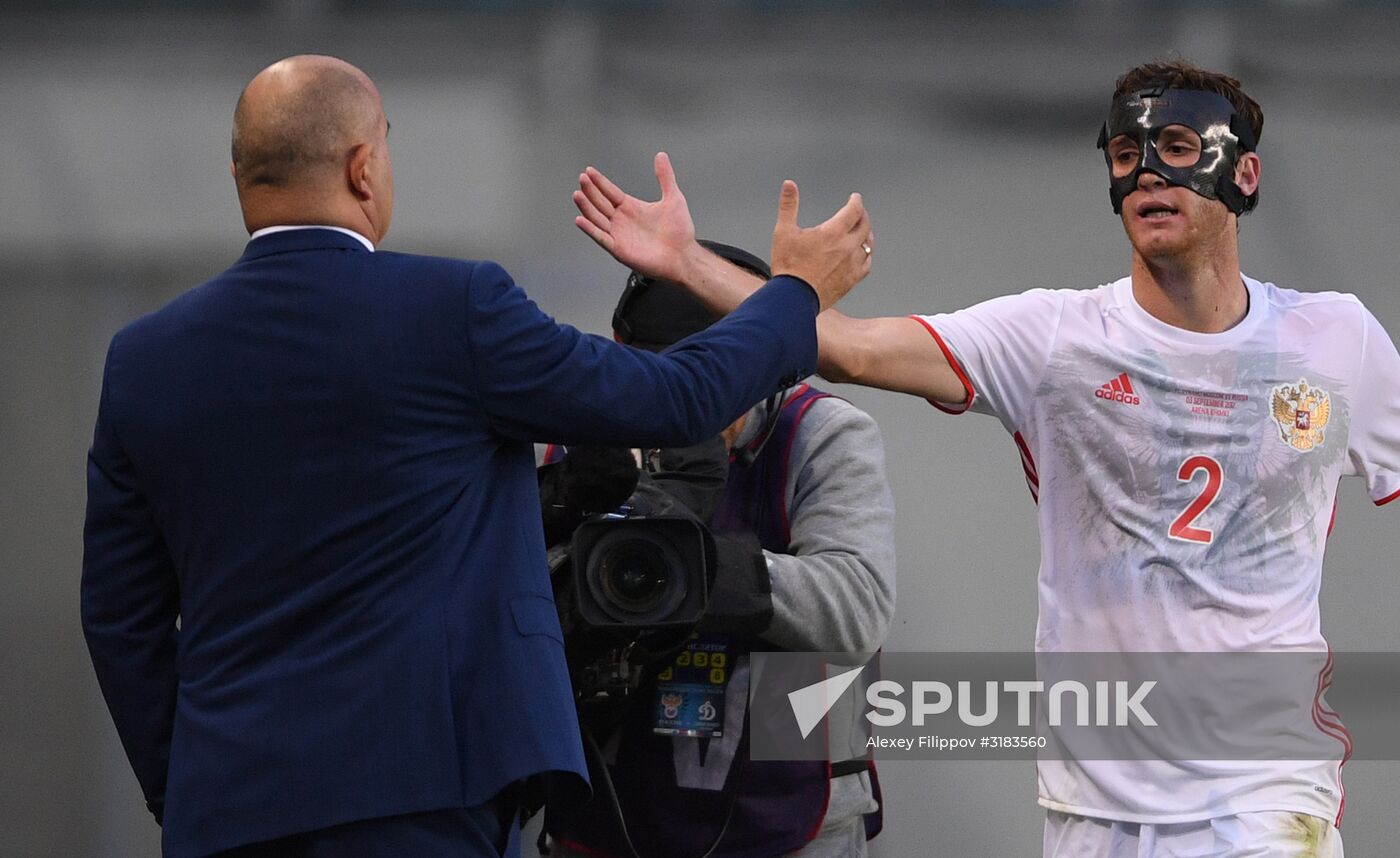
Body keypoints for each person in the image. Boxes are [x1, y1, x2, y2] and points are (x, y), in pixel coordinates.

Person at [568, 61, 1400, 858]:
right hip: (1094, 801)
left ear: (1244, 176)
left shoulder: (1338, 338)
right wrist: (687, 266)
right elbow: (848, 348)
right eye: (1124, 154)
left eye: (1178, 149)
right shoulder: (1053, 338)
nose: (1147, 171)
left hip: (1265, 789)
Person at [80, 54, 875, 858]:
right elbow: (678, 401)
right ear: (364, 168)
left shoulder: (142, 360)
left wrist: (185, 784)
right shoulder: (452, 311)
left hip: (227, 809)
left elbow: (119, 617)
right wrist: (793, 296)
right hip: (426, 801)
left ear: (240, 175)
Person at [542, 242, 896, 858]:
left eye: (699, 386)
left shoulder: (821, 435)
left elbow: (857, 610)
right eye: (646, 385)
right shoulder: (575, 440)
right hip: (606, 816)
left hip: (787, 823)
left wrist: (696, 567)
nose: (668, 412)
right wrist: (558, 522)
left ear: (757, 368)